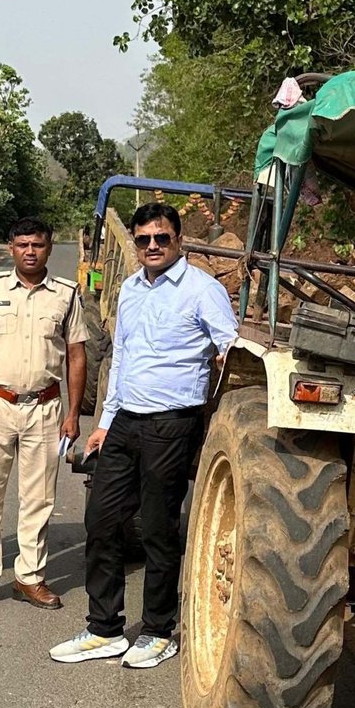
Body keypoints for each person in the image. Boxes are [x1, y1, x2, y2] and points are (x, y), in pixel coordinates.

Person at [49, 202, 237, 668]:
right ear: (134, 243)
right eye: (144, 239)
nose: (152, 246)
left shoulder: (202, 290)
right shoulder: (131, 290)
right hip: (126, 421)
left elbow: (229, 348)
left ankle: (157, 630)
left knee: (157, 527)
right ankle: (104, 628)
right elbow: (124, 362)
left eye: (162, 238)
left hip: (173, 423)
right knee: (103, 522)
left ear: (179, 240)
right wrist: (104, 425)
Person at [0, 217, 87, 613]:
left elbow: (76, 354)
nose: (30, 251)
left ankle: (30, 577)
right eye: (23, 244)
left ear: (49, 249)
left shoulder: (65, 294)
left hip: (44, 408)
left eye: (38, 245)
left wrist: (74, 412)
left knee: (39, 497)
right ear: (11, 248)